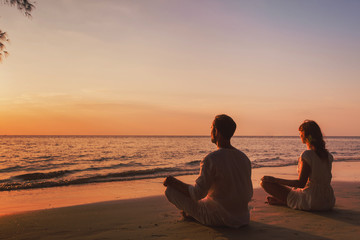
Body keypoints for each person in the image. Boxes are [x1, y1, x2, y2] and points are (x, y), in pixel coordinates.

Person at [163, 114, 253, 228]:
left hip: (218, 218)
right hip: (242, 218)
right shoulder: (244, 158)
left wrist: (174, 182)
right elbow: (248, 193)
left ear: (216, 131)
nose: (210, 131)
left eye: (211, 128)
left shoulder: (211, 159)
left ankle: (194, 215)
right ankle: (194, 214)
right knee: (209, 196)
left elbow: (197, 194)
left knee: (170, 190)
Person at [260, 120, 335, 211]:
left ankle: (286, 202)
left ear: (307, 136)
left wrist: (275, 180)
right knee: (294, 189)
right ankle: (285, 201)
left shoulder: (307, 155)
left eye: (300, 133)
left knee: (265, 183)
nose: (299, 136)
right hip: (328, 200)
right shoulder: (328, 155)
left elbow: (301, 183)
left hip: (311, 201)